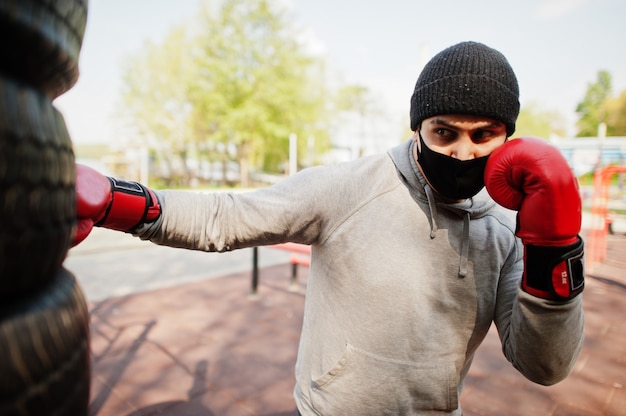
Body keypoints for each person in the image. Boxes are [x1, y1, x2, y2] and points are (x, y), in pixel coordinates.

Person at [74, 41, 585, 415]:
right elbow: (226, 217)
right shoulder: (349, 187)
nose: (463, 152)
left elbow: (545, 366)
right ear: (419, 127)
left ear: (508, 138)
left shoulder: (507, 230)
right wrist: (118, 202)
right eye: (444, 132)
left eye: (484, 135)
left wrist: (555, 250)